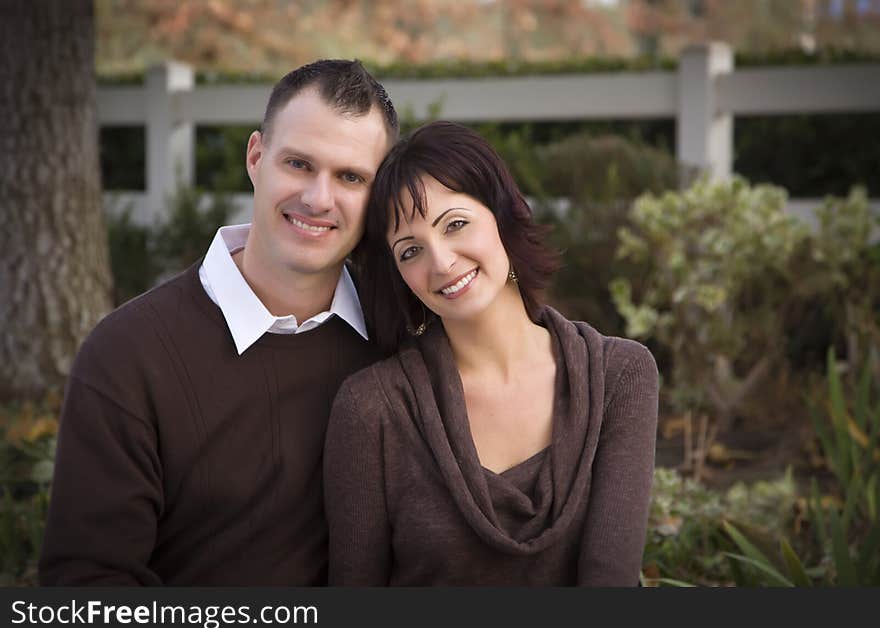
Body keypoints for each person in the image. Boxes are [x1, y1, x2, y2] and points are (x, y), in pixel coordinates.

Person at [39, 60, 399, 585]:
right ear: (256, 157)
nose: (319, 198)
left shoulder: (400, 331)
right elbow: (88, 591)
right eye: (298, 164)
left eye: (350, 176)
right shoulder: (128, 355)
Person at [324, 121, 658, 586]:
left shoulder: (619, 375)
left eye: (455, 224)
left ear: (502, 215)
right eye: (410, 250)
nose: (440, 262)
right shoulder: (372, 409)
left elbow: (610, 579)